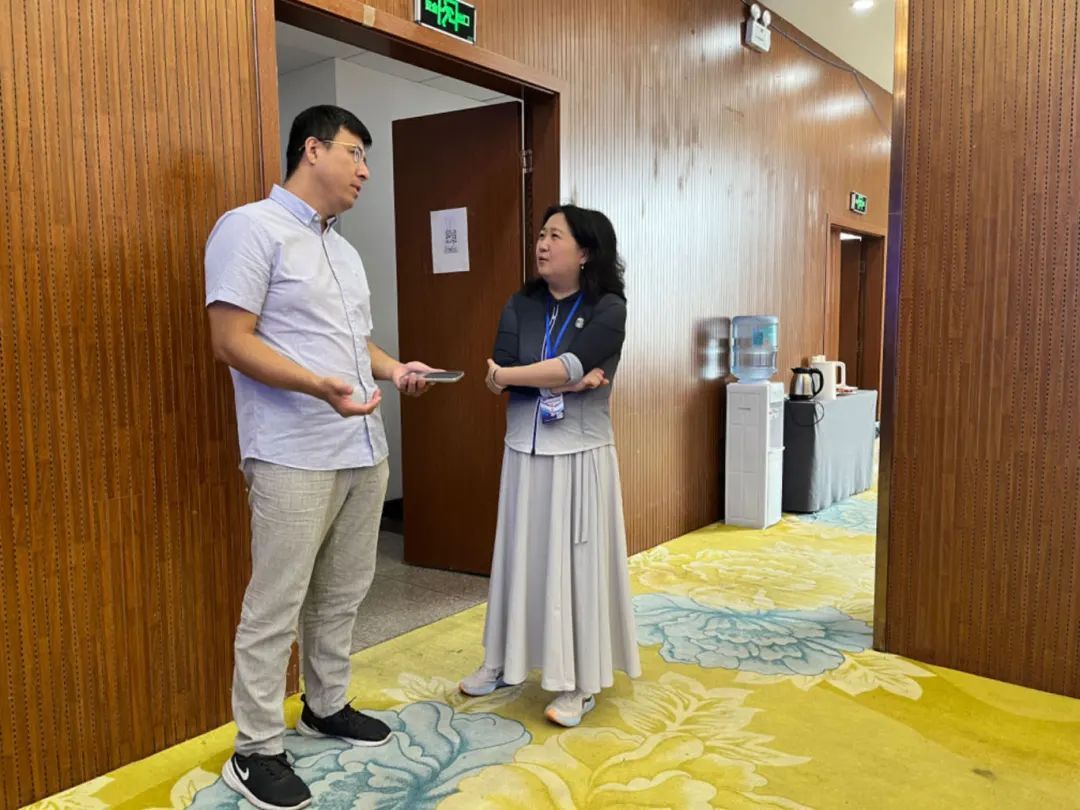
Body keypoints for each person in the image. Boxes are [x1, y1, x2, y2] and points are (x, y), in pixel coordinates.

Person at [204, 104, 436, 810]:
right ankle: (255, 750)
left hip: (362, 445)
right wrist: (317, 387)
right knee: (276, 602)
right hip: (293, 452)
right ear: (313, 149)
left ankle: (326, 705)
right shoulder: (249, 228)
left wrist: (394, 369)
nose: (365, 170)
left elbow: (353, 344)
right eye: (355, 153)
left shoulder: (344, 250)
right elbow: (231, 339)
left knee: (343, 591)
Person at [459, 204, 641, 727]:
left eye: (555, 236)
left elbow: (564, 366)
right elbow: (500, 371)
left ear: (585, 252)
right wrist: (554, 377)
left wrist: (528, 375)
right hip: (524, 448)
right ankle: (502, 661)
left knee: (576, 565)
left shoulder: (608, 307)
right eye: (541, 234)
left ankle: (579, 683)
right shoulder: (521, 303)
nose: (541, 244)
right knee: (517, 557)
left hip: (579, 455)